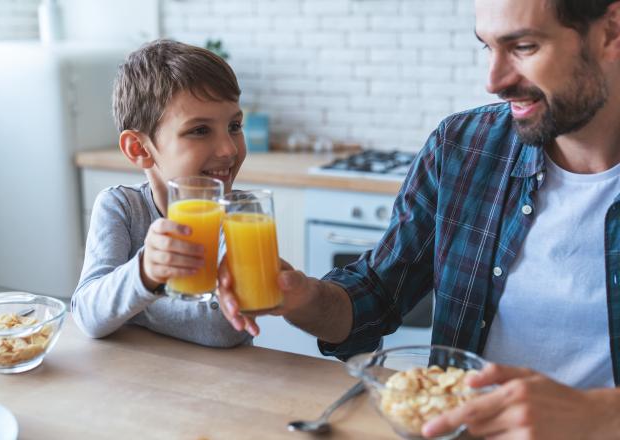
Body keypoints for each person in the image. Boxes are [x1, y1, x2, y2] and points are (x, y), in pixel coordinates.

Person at [218, 0, 620, 437]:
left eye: (523, 47)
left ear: (610, 32)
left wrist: (599, 414)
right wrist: (300, 297)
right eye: (486, 47)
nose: (493, 81)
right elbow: (378, 295)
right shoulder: (462, 147)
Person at [73, 39, 250, 348]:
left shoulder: (241, 212)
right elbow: (87, 313)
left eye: (234, 126)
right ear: (139, 149)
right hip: (139, 385)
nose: (229, 149)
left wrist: (130, 306)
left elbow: (224, 325)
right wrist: (144, 272)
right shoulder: (121, 208)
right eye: (200, 130)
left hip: (222, 387)